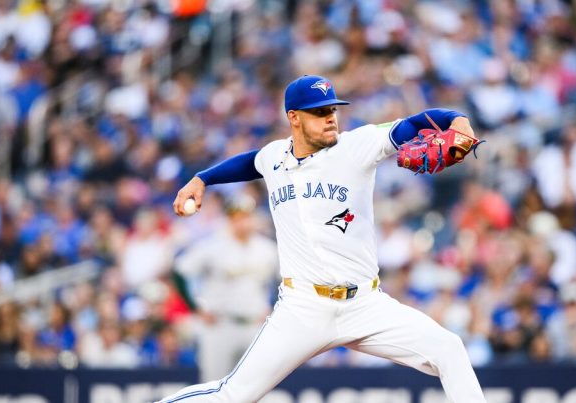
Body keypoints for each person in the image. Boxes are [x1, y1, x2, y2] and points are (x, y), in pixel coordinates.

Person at [158, 75, 486, 403]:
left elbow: (416, 123)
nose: (330, 117)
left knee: (449, 349)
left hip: (365, 304)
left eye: (332, 108)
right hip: (303, 308)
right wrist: (202, 179)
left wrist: (459, 122)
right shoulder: (274, 157)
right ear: (294, 117)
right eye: (319, 111)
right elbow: (249, 163)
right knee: (232, 395)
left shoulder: (357, 146)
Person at [173, 194, 279, 381]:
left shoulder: (267, 249)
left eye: (246, 216)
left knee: (255, 385)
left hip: (255, 324)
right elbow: (180, 271)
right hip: (220, 324)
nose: (243, 222)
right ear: (229, 219)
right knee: (214, 385)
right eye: (237, 217)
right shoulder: (212, 246)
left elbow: (286, 281)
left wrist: (275, 308)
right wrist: (196, 307)